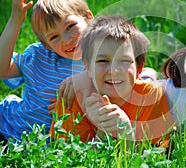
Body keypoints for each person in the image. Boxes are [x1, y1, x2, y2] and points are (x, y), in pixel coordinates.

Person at [50, 15, 174, 145]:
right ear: (87, 66)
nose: (113, 71)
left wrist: (126, 133)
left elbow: (153, 158)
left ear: (139, 68)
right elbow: (68, 159)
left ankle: (150, 75)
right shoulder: (72, 97)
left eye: (124, 60)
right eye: (103, 61)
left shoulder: (152, 97)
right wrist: (103, 132)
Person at [0, 0, 94, 143]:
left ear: (88, 18)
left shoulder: (103, 61)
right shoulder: (40, 56)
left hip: (50, 144)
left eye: (70, 26)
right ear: (47, 45)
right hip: (9, 125)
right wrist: (15, 20)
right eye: (54, 37)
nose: (66, 39)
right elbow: (2, 70)